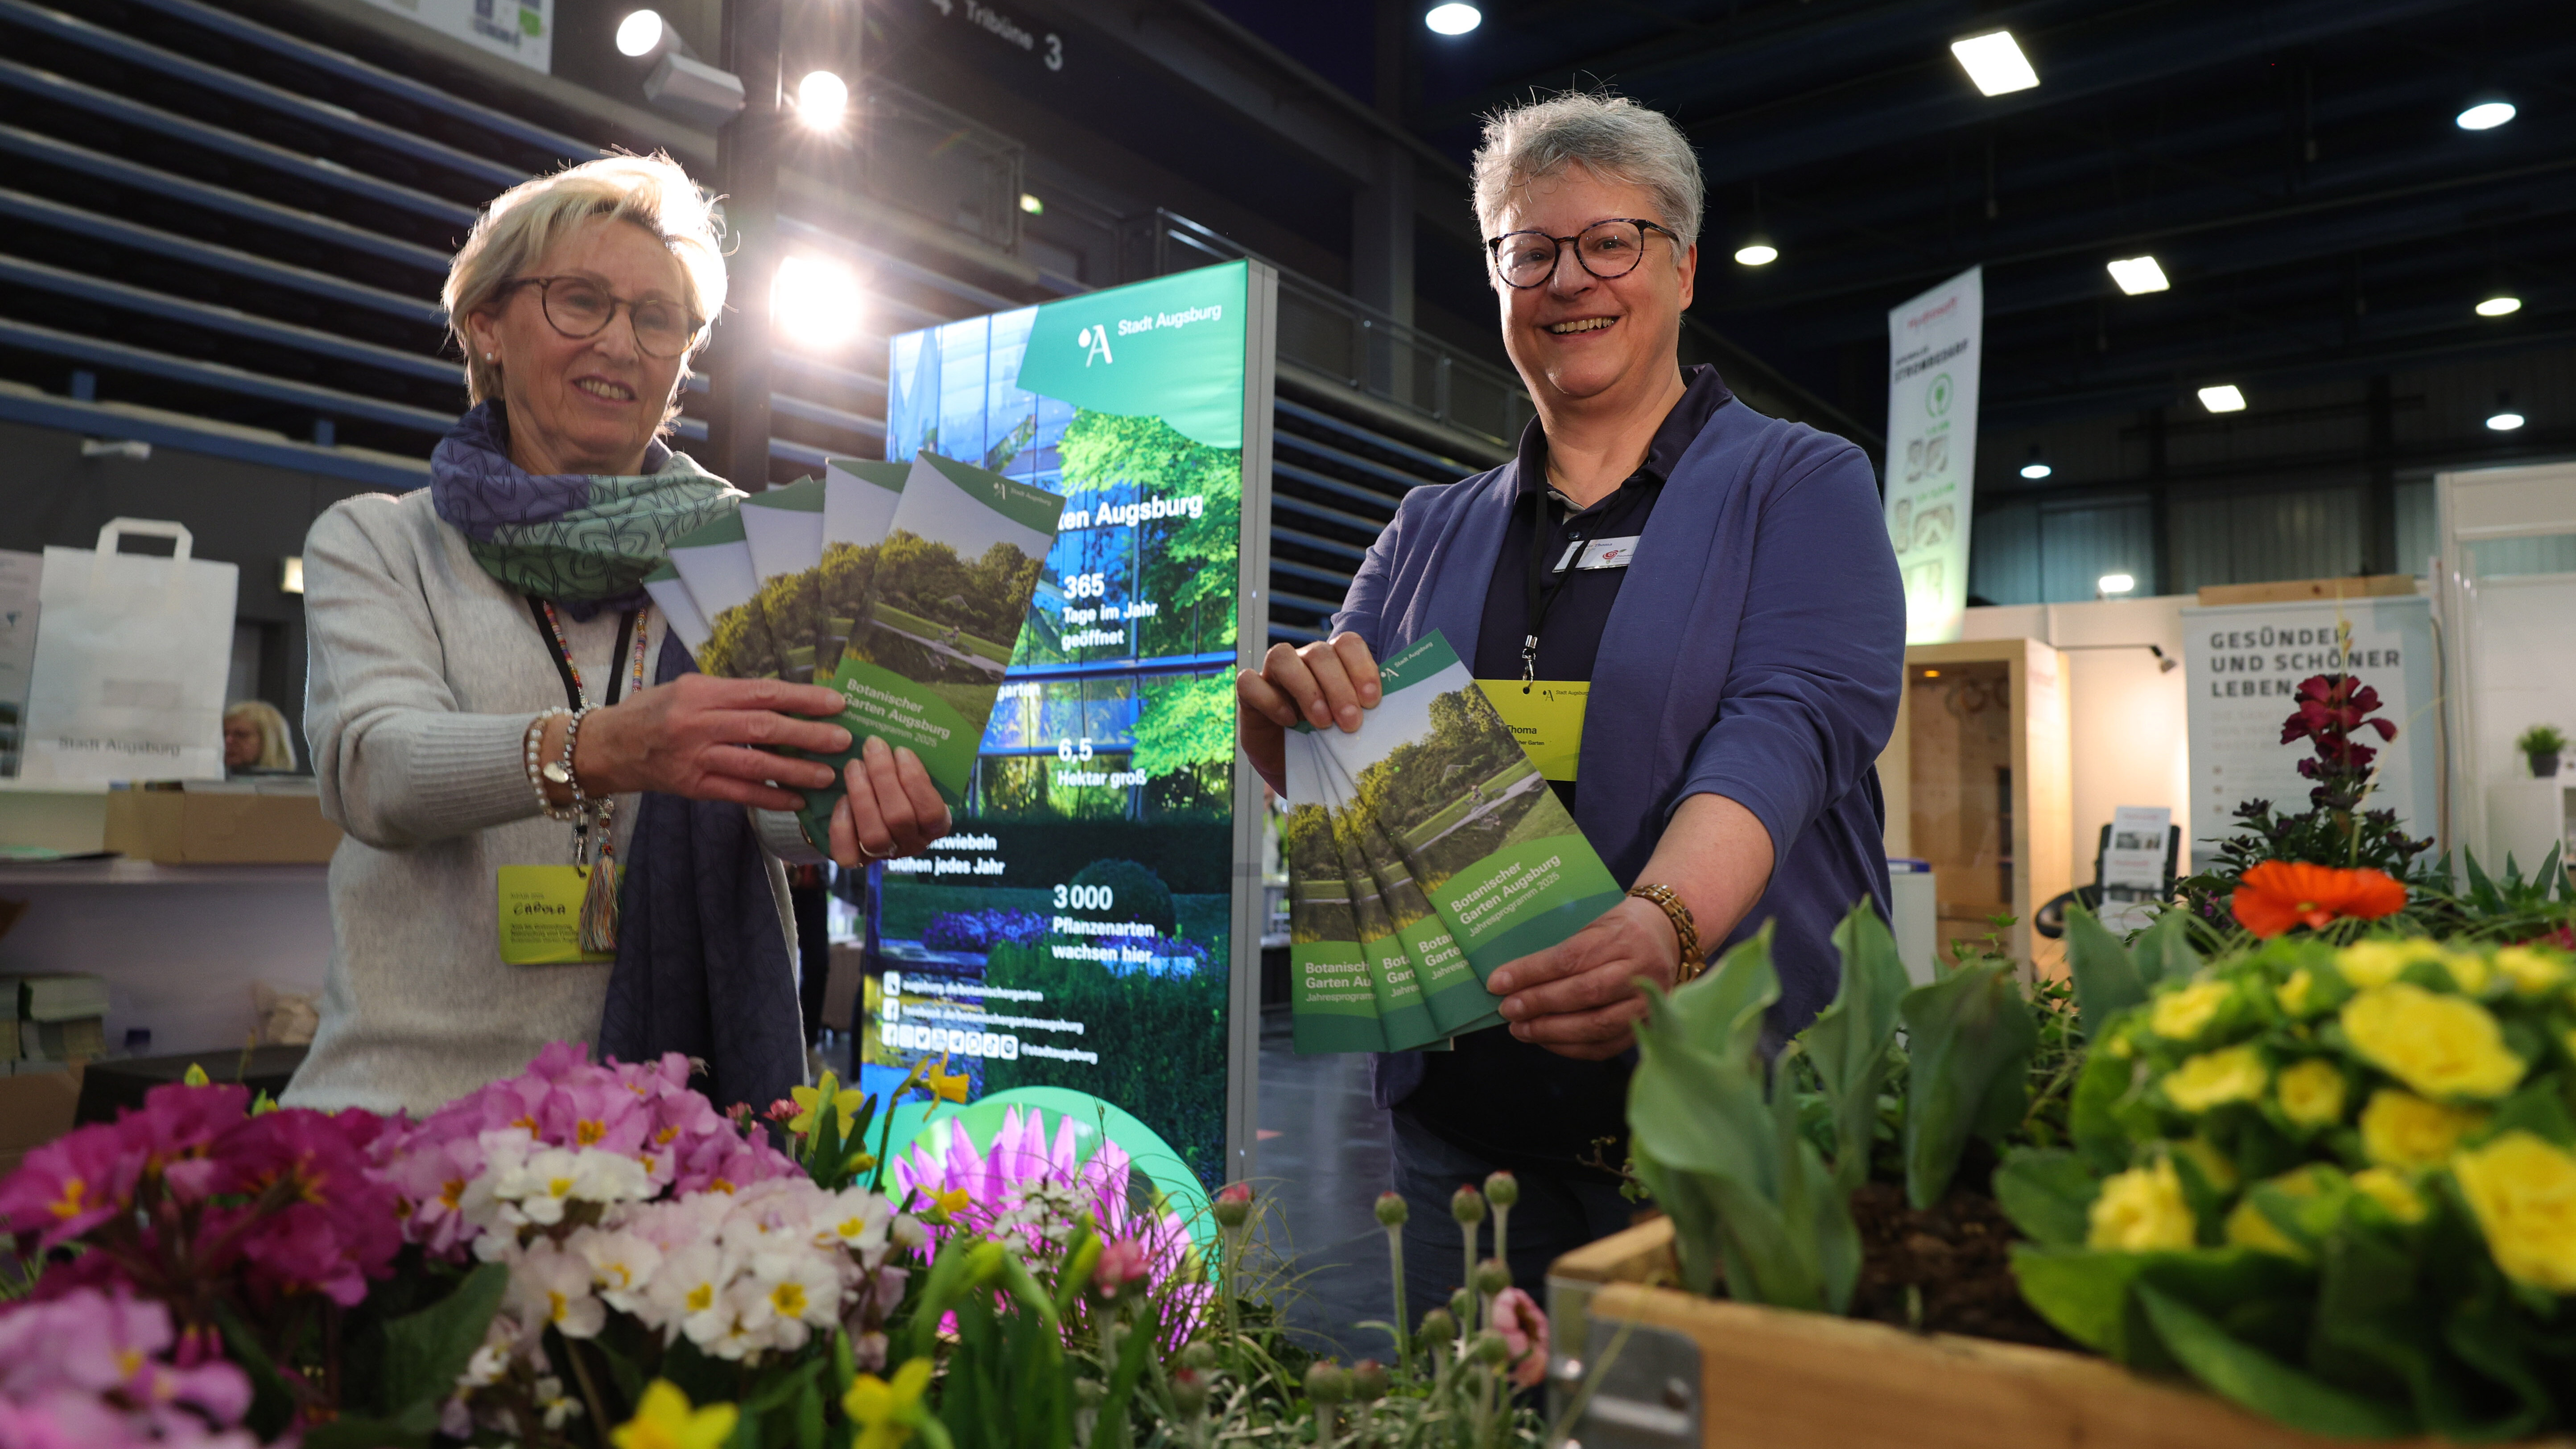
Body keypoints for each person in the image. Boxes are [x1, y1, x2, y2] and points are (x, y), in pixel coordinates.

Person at [1235, 95, 1904, 1309]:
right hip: (1460, 1141)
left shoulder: (1801, 482)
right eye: (1528, 250)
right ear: (1496, 277)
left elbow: (1790, 726)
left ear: (1686, 266)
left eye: (1613, 241)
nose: (1568, 279)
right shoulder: (1426, 528)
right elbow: (1356, 774)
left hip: (1715, 1128)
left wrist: (1667, 925)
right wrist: (1282, 732)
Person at [286, 154, 949, 1116]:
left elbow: (771, 804)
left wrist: (855, 803)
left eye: (655, 317)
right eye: (580, 301)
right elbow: (372, 770)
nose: (621, 343)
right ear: (488, 326)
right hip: (417, 1113)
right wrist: (607, 748)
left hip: (674, 1130)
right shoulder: (383, 542)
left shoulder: (752, 554)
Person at [222, 699, 296, 773]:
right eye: (224, 735)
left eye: (241, 735)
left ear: (269, 741)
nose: (228, 740)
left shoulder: (288, 784)